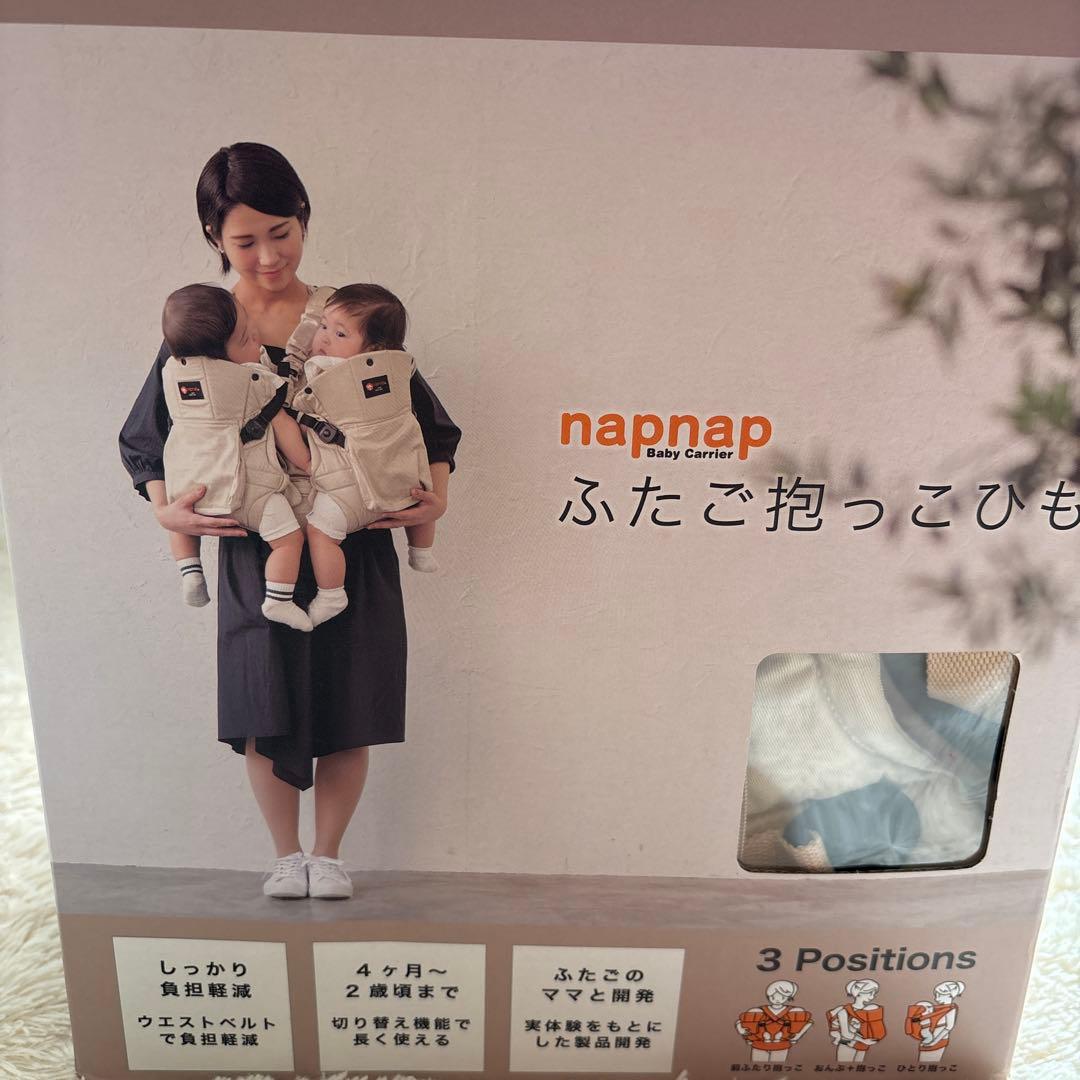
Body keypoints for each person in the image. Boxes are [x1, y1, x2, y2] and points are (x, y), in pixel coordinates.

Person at [119, 142, 461, 899]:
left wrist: (434, 500)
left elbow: (431, 426)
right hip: (255, 543)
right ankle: (285, 855)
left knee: (351, 700)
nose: (269, 256)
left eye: (282, 232)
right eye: (246, 240)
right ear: (214, 237)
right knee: (261, 702)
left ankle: (328, 854)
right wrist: (168, 511)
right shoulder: (205, 325)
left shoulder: (348, 316)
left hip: (353, 539)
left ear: (304, 218)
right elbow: (146, 439)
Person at [159, 284, 313, 631]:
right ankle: (278, 599)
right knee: (289, 540)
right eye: (246, 337)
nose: (256, 336)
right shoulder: (253, 382)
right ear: (218, 358)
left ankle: (189, 569)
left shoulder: (171, 375)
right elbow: (285, 429)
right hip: (248, 494)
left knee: (178, 509)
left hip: (193, 492)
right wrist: (307, 464)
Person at [299, 283, 439, 628]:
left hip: (350, 489)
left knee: (321, 531)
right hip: (399, 474)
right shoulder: (400, 370)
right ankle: (421, 551)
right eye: (323, 326)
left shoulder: (325, 369)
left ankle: (332, 594)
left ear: (374, 349)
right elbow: (436, 430)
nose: (325, 338)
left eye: (340, 333)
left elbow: (304, 405)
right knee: (420, 490)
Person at [735, 979, 813, 1062]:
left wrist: (798, 1035)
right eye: (773, 997)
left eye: (782, 997)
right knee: (758, 1064)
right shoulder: (758, 1011)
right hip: (760, 1043)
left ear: (788, 997)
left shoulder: (794, 1011)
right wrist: (740, 1029)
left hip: (781, 1044)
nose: (777, 1000)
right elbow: (740, 1022)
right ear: (769, 996)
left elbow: (809, 1022)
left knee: (778, 1064)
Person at [828, 979, 886, 1062]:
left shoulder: (869, 1011)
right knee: (844, 1067)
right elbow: (846, 1033)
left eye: (874, 993)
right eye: (870, 993)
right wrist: (864, 1040)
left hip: (863, 1045)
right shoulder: (844, 1011)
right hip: (847, 1043)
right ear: (859, 993)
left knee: (859, 1066)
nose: (872, 996)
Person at [906, 981, 963, 1062]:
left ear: (949, 995)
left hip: (938, 1041)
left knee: (926, 1063)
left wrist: (934, 1042)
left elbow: (948, 1028)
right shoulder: (939, 1008)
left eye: (939, 995)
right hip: (928, 1040)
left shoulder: (950, 1009)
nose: (936, 998)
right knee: (923, 1063)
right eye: (936, 994)